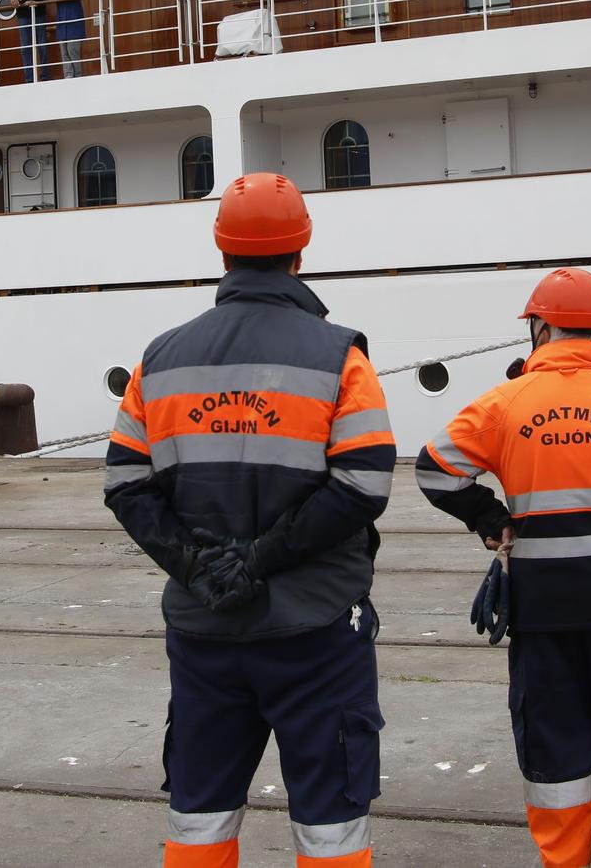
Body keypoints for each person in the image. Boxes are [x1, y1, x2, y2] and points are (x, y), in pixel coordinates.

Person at [104, 173, 395, 868]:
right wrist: (260, 561)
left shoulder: (161, 357)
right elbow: (364, 481)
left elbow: (125, 483)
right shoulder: (339, 356)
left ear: (222, 250)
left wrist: (202, 565)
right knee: (331, 819)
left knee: (199, 812)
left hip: (205, 630)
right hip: (315, 625)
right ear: (302, 251)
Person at [415, 268, 591, 868]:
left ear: (540, 328)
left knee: (555, 757)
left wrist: (493, 521)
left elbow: (435, 470)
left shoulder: (504, 403)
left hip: (544, 617)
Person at [45, 0, 88, 78]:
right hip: (62, 22)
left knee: (73, 51)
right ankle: (68, 76)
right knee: (64, 52)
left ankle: (78, 76)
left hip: (73, 21)